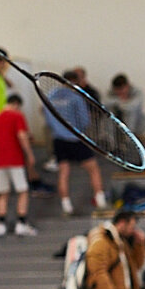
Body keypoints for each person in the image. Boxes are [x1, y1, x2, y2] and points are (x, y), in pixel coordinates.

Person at [50, 72, 107, 216]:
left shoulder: (51, 96)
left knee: (63, 172)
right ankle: (100, 200)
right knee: (93, 168)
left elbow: (48, 117)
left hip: (58, 139)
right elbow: (84, 120)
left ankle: (66, 205)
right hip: (75, 138)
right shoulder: (76, 97)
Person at [0, 93, 36, 237]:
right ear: (16, 104)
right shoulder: (17, 116)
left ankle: (1, 224)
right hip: (15, 159)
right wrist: (29, 154)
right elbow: (21, 135)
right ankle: (21, 222)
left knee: (3, 192)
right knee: (22, 190)